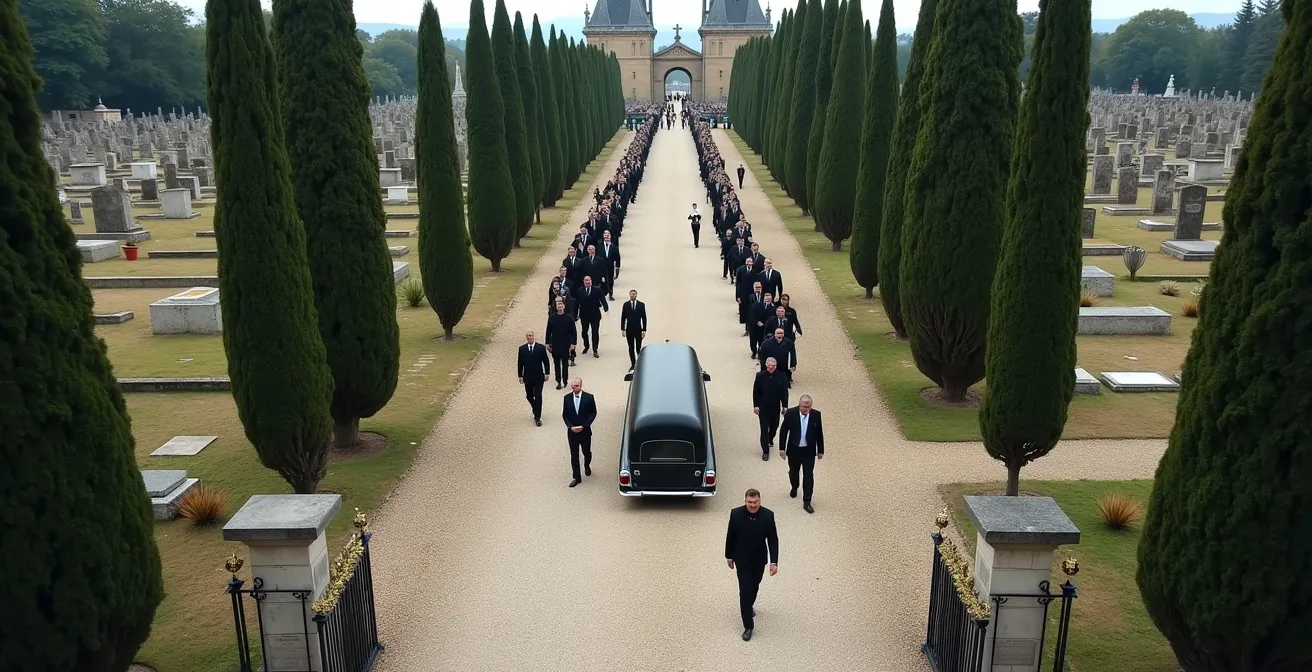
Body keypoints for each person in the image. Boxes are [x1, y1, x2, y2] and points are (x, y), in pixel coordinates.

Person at [724, 488, 779, 641]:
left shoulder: (768, 516)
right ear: (745, 501)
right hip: (742, 560)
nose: (753, 505)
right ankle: (748, 626)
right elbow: (731, 536)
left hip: (759, 560)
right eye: (750, 502)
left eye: (755, 502)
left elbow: (773, 540)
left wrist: (773, 562)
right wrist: (729, 556)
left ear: (760, 501)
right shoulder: (735, 514)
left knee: (755, 586)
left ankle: (749, 605)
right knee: (745, 592)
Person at [778, 395, 824, 513]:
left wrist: (820, 450)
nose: (805, 409)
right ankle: (794, 486)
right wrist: (782, 448)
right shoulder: (791, 413)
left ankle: (807, 500)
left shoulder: (816, 415)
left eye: (808, 407)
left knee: (808, 475)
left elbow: (819, 433)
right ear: (800, 405)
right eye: (803, 406)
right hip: (794, 450)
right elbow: (783, 431)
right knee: (793, 472)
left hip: (808, 451)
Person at [561, 377, 597, 488]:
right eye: (572, 386)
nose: (574, 387)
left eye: (576, 385)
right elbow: (565, 415)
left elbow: (593, 413)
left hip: (584, 431)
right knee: (574, 454)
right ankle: (576, 477)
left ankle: (587, 465)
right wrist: (570, 426)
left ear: (581, 385)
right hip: (572, 432)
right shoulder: (566, 398)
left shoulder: (589, 397)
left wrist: (584, 426)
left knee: (586, 451)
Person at [752, 357, 789, 460]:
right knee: (764, 430)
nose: (772, 368)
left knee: (775, 426)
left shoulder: (781, 376)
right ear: (766, 365)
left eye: (774, 366)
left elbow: (784, 393)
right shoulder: (760, 376)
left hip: (775, 407)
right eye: (770, 366)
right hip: (763, 408)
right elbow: (756, 392)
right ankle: (765, 451)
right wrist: (755, 405)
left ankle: (770, 438)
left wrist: (785, 406)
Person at [517, 330, 550, 426]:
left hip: (539, 376)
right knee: (529, 395)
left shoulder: (540, 348)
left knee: (538, 396)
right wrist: (520, 375)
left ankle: (537, 417)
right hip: (528, 377)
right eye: (528, 336)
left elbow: (545, 361)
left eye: (531, 335)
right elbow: (520, 363)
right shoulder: (522, 349)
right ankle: (535, 407)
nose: (530, 337)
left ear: (534, 336)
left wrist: (547, 373)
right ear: (526, 337)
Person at [544, 299, 577, 389]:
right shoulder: (552, 318)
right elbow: (548, 331)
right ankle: (558, 381)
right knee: (556, 364)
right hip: (555, 344)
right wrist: (547, 343)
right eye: (558, 306)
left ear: (564, 306)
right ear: (556, 307)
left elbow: (574, 332)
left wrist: (573, 343)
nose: (560, 307)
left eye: (561, 305)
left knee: (565, 364)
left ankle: (565, 380)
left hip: (566, 343)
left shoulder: (569, 318)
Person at [576, 276, 609, 357]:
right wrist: (575, 313)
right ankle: (586, 346)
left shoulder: (597, 290)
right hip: (584, 315)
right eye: (586, 280)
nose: (587, 282)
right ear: (583, 281)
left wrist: (606, 309)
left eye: (589, 280)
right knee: (584, 332)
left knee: (595, 332)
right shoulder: (580, 291)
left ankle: (595, 349)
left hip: (595, 315)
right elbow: (577, 303)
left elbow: (603, 299)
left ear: (591, 281)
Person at [620, 289, 647, 367]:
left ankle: (640, 361)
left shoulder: (641, 305)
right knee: (631, 347)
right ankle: (633, 363)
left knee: (638, 347)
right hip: (629, 329)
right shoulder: (626, 305)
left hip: (638, 329)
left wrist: (644, 330)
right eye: (631, 294)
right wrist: (623, 329)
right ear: (629, 295)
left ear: (636, 295)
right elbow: (623, 318)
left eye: (634, 294)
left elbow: (644, 318)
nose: (633, 295)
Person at [599, 231, 621, 300]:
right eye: (605, 234)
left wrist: (617, 267)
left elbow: (618, 257)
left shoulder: (614, 247)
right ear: (603, 236)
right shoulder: (600, 246)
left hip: (610, 266)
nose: (607, 236)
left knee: (610, 280)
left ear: (610, 236)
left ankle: (610, 294)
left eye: (608, 234)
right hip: (602, 266)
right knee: (602, 281)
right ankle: (602, 295)